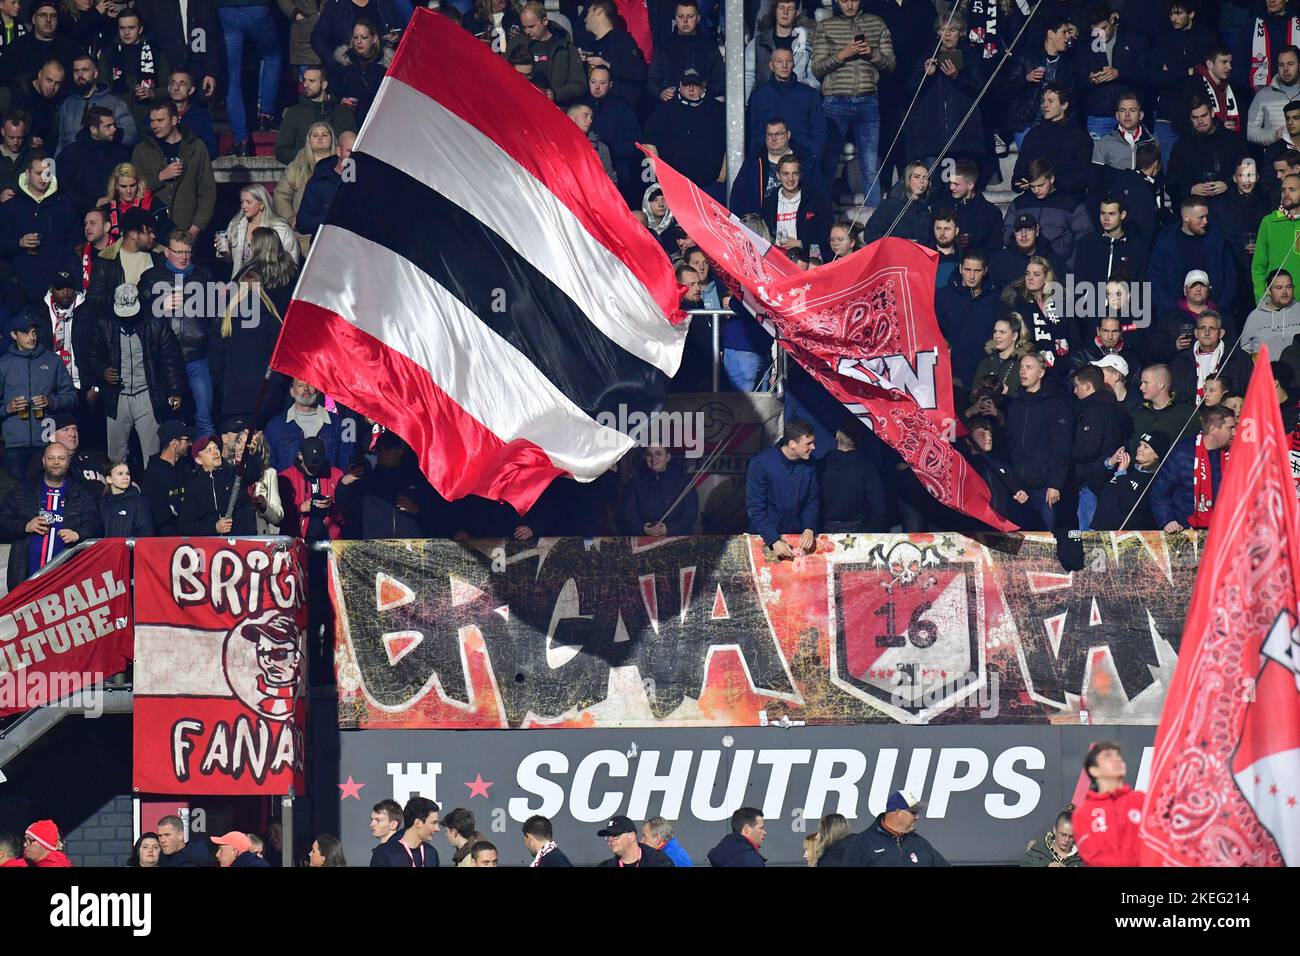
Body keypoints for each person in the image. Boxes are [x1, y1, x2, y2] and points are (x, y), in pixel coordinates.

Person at [810, 0, 895, 209]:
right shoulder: (826, 26)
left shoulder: (876, 23)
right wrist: (842, 55)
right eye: (844, 0)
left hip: (868, 100)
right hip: (835, 102)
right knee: (829, 162)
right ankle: (823, 212)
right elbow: (817, 68)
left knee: (870, 165)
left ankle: (873, 217)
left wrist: (873, 53)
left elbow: (891, 64)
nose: (849, 4)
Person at [89, 282, 184, 465]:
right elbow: (92, 356)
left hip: (146, 394)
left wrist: (175, 391)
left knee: (153, 454)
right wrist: (102, 371)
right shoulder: (103, 324)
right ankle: (117, 492)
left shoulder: (155, 323)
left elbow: (170, 359)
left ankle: (151, 491)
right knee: (115, 456)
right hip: (117, 396)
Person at [0, 310, 76, 479]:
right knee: (18, 494)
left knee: (44, 490)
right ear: (14, 335)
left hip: (45, 441)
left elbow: (71, 396)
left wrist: (51, 401)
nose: (31, 337)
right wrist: (8, 407)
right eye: (25, 333)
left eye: (34, 332)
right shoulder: (3, 365)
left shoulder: (52, 361)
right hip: (14, 445)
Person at [1003, 352, 1072, 531]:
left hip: (1044, 486)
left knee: (1044, 538)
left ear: (1041, 373)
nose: (1023, 372)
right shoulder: (1015, 404)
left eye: (1029, 367)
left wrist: (1055, 484)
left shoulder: (1055, 403)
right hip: (1020, 486)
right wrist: (1014, 485)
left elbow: (1061, 445)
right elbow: (1010, 446)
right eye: (1021, 367)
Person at [0, 151, 80, 303]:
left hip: (55, 287)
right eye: (38, 173)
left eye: (47, 173)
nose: (44, 178)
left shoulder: (64, 206)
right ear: (27, 173)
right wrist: (19, 243)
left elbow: (74, 242)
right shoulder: (11, 207)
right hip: (18, 290)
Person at [130, 101, 216, 240]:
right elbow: (132, 190)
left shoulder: (196, 148)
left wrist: (196, 228)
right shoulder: (142, 150)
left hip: (185, 231)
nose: (154, 125)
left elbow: (207, 191)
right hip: (151, 233)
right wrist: (161, 177)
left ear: (174, 120)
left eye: (160, 120)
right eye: (152, 121)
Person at [1152, 403, 1236, 532]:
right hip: (1187, 531)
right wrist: (1167, 520)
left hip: (1225, 531)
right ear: (1214, 429)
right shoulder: (1182, 454)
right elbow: (1160, 493)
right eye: (1230, 428)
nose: (1234, 432)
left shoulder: (1235, 455)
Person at [642, 67, 727, 195]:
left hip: (711, 187)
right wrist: (661, 177)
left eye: (695, 84)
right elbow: (648, 143)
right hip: (674, 187)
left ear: (704, 85)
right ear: (680, 85)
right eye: (687, 84)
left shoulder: (718, 111)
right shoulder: (664, 111)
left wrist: (721, 179)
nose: (691, 89)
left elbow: (730, 146)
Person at [1147, 198, 1237, 316]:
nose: (1205, 221)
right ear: (1186, 218)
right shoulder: (1165, 244)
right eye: (1200, 217)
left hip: (1214, 316)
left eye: (1206, 216)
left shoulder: (1218, 241)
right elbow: (1155, 281)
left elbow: (1230, 278)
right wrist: (1173, 312)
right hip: (1175, 318)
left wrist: (1219, 309)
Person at [746, 418, 819, 558]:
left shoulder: (810, 465)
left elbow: (812, 501)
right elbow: (755, 508)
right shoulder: (761, 464)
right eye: (808, 443)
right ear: (792, 444)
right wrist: (773, 540)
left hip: (796, 539)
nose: (814, 447)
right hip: (765, 539)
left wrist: (809, 528)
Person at [218, 0, 283, 155]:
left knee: (232, 77)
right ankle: (265, 115)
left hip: (226, 8)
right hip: (257, 6)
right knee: (272, 56)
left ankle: (241, 140)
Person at [1072, 365, 1131, 530]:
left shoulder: (1094, 411)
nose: (1075, 391)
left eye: (1076, 386)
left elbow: (1088, 448)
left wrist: (1065, 451)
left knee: (1091, 538)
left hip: (1091, 481)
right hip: (1107, 479)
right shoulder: (1116, 408)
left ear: (1087, 386)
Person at [747, 47, 825, 174]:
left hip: (803, 161)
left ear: (793, 64)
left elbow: (820, 130)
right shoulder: (759, 96)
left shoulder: (809, 95)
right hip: (767, 162)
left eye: (788, 61)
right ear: (771, 65)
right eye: (779, 61)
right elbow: (753, 132)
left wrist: (814, 158)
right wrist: (755, 159)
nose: (784, 65)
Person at [1012, 83, 1094, 202]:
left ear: (1064, 105)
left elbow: (1083, 177)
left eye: (1050, 101)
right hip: (1034, 199)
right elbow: (1018, 174)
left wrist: (1052, 184)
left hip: (1066, 202)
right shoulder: (1033, 135)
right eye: (1043, 101)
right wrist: (1021, 183)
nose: (1044, 105)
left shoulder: (1079, 137)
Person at [1002, 158, 1091, 264]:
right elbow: (1007, 237)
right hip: (1023, 265)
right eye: (1032, 186)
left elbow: (1085, 238)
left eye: (1040, 185)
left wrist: (1068, 267)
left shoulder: (1071, 205)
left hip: (1057, 268)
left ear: (1052, 179)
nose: (1036, 191)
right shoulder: (1019, 203)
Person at [1072, 741, 1145, 866]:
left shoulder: (1142, 800)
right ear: (1094, 770)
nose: (1117, 759)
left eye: (1119, 756)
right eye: (1108, 756)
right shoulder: (1083, 813)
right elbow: (1093, 856)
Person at [134, 0, 222, 102]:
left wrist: (211, 72)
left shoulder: (202, 3)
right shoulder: (149, 3)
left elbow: (211, 39)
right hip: (162, 71)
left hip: (197, 74)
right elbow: (136, 31)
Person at [1166, 96, 1248, 205]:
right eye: (1195, 117)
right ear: (1190, 118)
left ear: (1212, 113)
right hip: (1194, 206)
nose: (1200, 121)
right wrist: (1190, 189)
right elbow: (1171, 182)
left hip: (1229, 205)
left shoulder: (1232, 141)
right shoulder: (1182, 146)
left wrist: (1228, 185)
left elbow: (1248, 173)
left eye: (1204, 116)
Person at [835, 790, 948, 866]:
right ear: (897, 812)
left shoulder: (920, 843)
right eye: (913, 812)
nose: (917, 817)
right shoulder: (863, 843)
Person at [178, 432, 261, 534]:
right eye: (209, 450)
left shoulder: (234, 473)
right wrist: (214, 527)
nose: (215, 452)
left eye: (216, 448)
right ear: (199, 460)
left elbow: (253, 474)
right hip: (213, 546)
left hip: (241, 543)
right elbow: (186, 526)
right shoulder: (194, 486)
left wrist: (253, 454)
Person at [55, 53, 137, 155]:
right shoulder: (66, 105)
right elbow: (61, 141)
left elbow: (131, 136)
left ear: (95, 73)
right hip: (72, 164)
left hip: (104, 160)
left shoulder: (115, 103)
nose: (80, 75)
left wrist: (108, 138)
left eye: (85, 70)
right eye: (76, 71)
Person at [57, 106, 131, 217]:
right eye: (108, 126)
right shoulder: (71, 154)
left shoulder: (121, 153)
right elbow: (63, 188)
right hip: (80, 217)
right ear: (93, 130)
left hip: (117, 214)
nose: (114, 129)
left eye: (114, 125)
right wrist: (92, 203)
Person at [507, 2, 585, 106]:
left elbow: (580, 84)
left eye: (531, 26)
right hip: (521, 106)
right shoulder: (515, 45)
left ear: (544, 21)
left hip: (555, 108)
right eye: (524, 27)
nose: (527, 31)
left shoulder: (565, 46)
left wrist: (556, 94)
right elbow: (503, 76)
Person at [85, 207, 160, 312]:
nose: (153, 236)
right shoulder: (106, 261)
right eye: (148, 232)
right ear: (133, 234)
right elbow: (93, 299)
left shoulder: (159, 257)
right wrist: (121, 299)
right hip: (116, 324)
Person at [1092, 429, 1169, 531]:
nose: (1140, 449)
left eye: (1146, 447)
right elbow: (1093, 484)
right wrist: (1110, 463)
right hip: (1098, 531)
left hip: (1126, 539)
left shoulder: (1156, 481)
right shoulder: (1126, 468)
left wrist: (1121, 474)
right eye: (1140, 445)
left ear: (1157, 454)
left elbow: (1130, 502)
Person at [218, 183, 301, 277]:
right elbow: (231, 260)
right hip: (241, 284)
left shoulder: (280, 229)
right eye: (242, 202)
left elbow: (292, 262)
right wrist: (224, 252)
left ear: (262, 204)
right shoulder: (236, 224)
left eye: (249, 202)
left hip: (270, 283)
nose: (244, 206)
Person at [1168, 309, 1252, 400]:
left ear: (1221, 333)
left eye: (1212, 328)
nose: (1207, 333)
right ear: (1196, 333)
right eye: (1202, 328)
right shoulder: (1180, 361)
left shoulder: (1240, 360)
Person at [821, 418, 886, 531]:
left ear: (837, 435)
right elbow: (880, 509)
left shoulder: (821, 466)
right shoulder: (868, 469)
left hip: (824, 531)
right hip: (857, 530)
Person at [581, 0, 646, 113]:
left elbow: (638, 73)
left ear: (599, 11)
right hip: (594, 110)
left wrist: (607, 65)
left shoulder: (622, 40)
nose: (585, 19)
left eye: (588, 12)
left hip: (619, 110)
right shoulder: (590, 46)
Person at [761, 152, 831, 256]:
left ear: (800, 175)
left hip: (808, 257)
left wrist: (801, 243)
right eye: (785, 174)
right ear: (778, 175)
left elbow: (826, 239)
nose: (790, 179)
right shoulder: (769, 203)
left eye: (795, 173)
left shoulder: (815, 200)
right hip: (777, 258)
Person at [618, 444, 697, 536]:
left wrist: (668, 529)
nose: (653, 458)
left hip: (677, 538)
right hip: (643, 539)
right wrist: (642, 529)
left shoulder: (684, 481)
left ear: (668, 457)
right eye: (649, 455)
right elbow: (629, 513)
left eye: (658, 454)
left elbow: (690, 514)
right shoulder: (635, 483)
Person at [744, 0, 817, 97]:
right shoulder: (757, 44)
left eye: (790, 8)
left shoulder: (807, 44)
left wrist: (797, 87)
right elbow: (748, 78)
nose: (785, 12)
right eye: (782, 7)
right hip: (765, 104)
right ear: (775, 10)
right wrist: (748, 105)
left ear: (797, 13)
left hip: (797, 103)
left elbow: (815, 79)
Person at [1072, 198, 1148, 287]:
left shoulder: (1136, 247)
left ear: (1122, 215)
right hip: (1091, 299)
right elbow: (1078, 280)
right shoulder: (1087, 243)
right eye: (1103, 213)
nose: (1106, 218)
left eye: (1111, 214)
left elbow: (1141, 284)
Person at [274, 122, 334, 232]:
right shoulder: (297, 166)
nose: (320, 138)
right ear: (309, 139)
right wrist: (292, 220)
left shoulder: (341, 166)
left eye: (325, 135)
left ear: (332, 139)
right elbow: (281, 194)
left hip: (332, 231)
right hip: (303, 233)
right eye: (315, 135)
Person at [332, 18, 392, 128]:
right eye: (355, 37)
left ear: (373, 38)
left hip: (379, 125)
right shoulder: (344, 64)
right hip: (350, 124)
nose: (359, 42)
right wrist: (342, 101)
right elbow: (333, 95)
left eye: (364, 37)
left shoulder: (385, 67)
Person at [296, 129, 355, 237]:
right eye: (349, 151)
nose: (354, 157)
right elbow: (302, 223)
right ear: (338, 151)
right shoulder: (318, 182)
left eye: (357, 153)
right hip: (326, 246)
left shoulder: (366, 182)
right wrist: (333, 218)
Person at [969, 313, 1033, 411]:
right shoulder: (986, 362)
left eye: (1002, 332)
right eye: (995, 331)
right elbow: (972, 397)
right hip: (983, 418)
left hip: (1011, 418)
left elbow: (1028, 399)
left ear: (1014, 336)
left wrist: (1007, 391)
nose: (996, 336)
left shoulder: (1022, 364)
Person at [140, 418, 192, 534]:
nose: (189, 444)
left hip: (189, 533)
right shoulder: (152, 473)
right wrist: (177, 507)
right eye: (186, 440)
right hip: (166, 538)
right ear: (174, 443)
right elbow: (153, 513)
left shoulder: (186, 467)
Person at [1253, 174, 1300, 301]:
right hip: (1277, 304)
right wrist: (1261, 297)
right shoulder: (1269, 222)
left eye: (1292, 189)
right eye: (1283, 190)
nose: (1286, 193)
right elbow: (1258, 266)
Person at [861, 158, 930, 245]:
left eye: (925, 178)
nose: (922, 182)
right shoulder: (890, 205)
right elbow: (870, 235)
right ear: (907, 179)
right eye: (916, 177)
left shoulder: (925, 211)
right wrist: (900, 244)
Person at [4, 4, 77, 85]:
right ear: (34, 19)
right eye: (43, 15)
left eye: (53, 16)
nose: (48, 20)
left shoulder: (70, 47)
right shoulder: (17, 47)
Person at [0, 60, 65, 150]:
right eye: (49, 80)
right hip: (11, 157)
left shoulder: (57, 103)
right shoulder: (13, 94)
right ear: (40, 74)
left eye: (57, 83)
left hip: (40, 157)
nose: (52, 87)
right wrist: (26, 140)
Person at [99, 161, 168, 244]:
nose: (129, 191)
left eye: (132, 185)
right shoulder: (106, 209)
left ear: (138, 184)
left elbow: (167, 233)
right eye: (123, 186)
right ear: (116, 186)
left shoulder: (152, 204)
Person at [1247, 44, 1300, 147]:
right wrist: (1274, 136)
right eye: (1281, 65)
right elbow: (1251, 132)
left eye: (1290, 64)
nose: (1285, 69)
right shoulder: (1263, 95)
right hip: (1275, 158)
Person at [1242, 268, 1300, 356]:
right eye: (1279, 287)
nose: (1285, 292)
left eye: (1288, 287)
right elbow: (1245, 350)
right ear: (1268, 290)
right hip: (1266, 369)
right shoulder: (1255, 316)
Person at [370, 795, 441, 867]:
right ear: (418, 823)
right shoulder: (384, 853)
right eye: (434, 823)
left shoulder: (431, 853)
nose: (437, 829)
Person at [947, 159, 1001, 253]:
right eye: (950, 183)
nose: (951, 187)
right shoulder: (943, 207)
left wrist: (973, 241)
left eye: (956, 184)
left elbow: (995, 248)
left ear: (970, 185)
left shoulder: (991, 213)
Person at [165, 69, 218, 159]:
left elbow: (211, 149)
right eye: (173, 84)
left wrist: (189, 157)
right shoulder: (158, 113)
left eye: (182, 84)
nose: (176, 88)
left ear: (191, 90)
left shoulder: (201, 116)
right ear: (169, 89)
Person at [595, 814, 673, 867]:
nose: (610, 840)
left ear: (632, 836)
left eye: (615, 835)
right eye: (608, 837)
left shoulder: (659, 862)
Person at [99, 459, 153, 535]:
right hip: (108, 547)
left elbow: (146, 534)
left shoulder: (140, 502)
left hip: (130, 547)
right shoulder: (103, 502)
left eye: (127, 473)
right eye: (120, 474)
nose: (126, 477)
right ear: (109, 479)